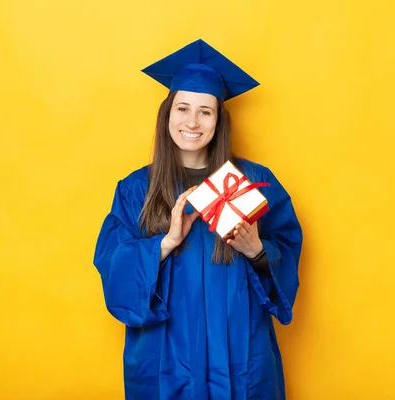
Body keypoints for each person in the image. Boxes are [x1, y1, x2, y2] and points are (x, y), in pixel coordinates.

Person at [93, 39, 303, 400]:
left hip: (238, 351)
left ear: (219, 120)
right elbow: (113, 265)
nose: (192, 122)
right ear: (167, 115)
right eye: (183, 108)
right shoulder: (136, 188)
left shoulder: (251, 182)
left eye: (205, 111)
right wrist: (164, 243)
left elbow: (286, 247)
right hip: (166, 356)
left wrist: (257, 250)